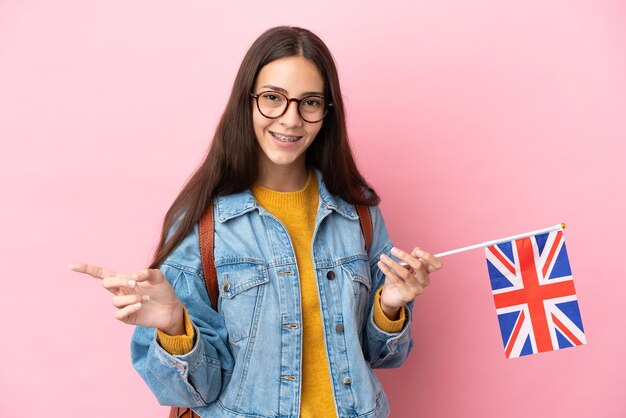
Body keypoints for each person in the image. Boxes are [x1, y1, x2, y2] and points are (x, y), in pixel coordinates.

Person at [70, 26, 442, 418]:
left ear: (327, 112)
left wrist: (390, 303)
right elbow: (195, 391)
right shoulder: (203, 223)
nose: (291, 119)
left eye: (310, 102)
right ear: (246, 101)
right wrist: (174, 326)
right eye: (273, 98)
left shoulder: (358, 213)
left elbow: (381, 356)